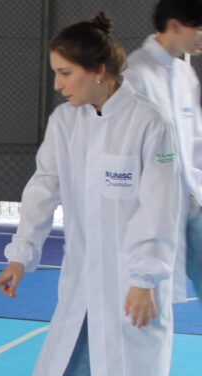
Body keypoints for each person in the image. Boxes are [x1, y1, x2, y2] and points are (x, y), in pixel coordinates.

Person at [0, 13, 180, 376]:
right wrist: (20, 256)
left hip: (129, 279)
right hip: (83, 276)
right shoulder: (65, 123)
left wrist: (144, 278)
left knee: (117, 374)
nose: (58, 84)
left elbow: (160, 208)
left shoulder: (148, 123)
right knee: (75, 369)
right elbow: (42, 189)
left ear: (98, 71)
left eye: (65, 73)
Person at [125, 0, 202, 305]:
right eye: (198, 28)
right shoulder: (136, 74)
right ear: (174, 26)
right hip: (153, 205)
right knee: (150, 299)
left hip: (193, 199)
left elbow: (196, 140)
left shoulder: (185, 74)